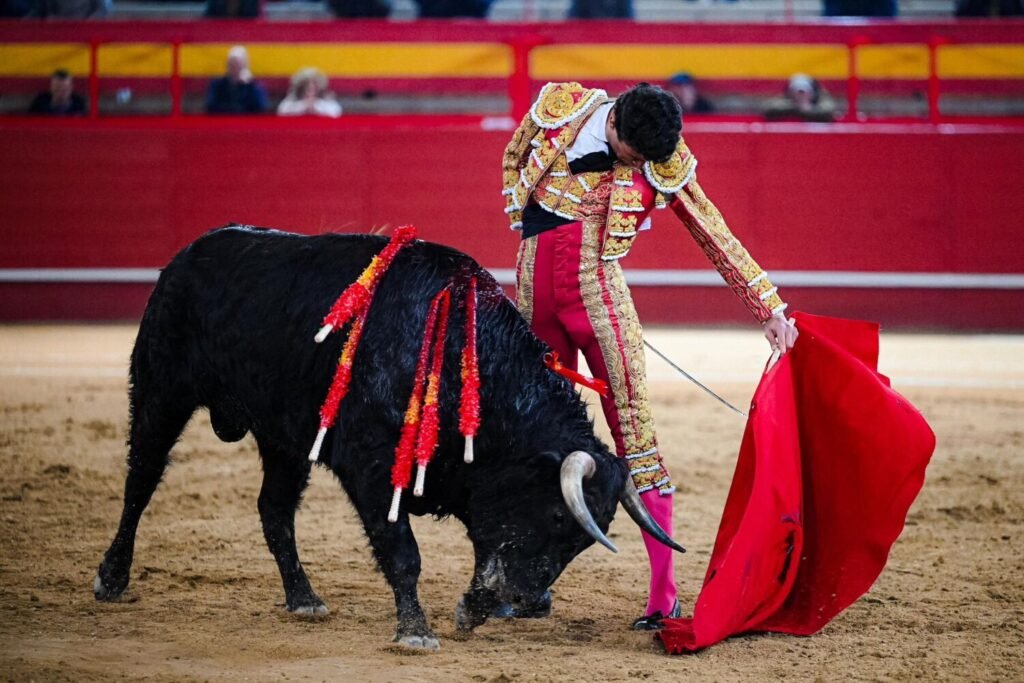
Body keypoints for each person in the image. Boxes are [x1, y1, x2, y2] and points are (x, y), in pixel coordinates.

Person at [502, 82, 797, 629]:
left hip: (600, 304)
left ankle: (664, 595)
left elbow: (711, 229)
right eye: (632, 156)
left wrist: (768, 308)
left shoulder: (662, 156)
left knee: (635, 439)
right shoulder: (561, 109)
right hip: (533, 300)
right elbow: (515, 157)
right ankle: (528, 582)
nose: (638, 166)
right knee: (532, 444)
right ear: (613, 122)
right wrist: (524, 225)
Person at [205, 46, 269, 115]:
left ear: (245, 66)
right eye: (232, 65)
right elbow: (209, 106)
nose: (235, 68)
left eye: (238, 65)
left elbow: (262, 107)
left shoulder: (254, 85)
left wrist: (250, 84)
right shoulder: (217, 84)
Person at [764, 74, 836, 123]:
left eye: (804, 92)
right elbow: (768, 108)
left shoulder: (824, 105)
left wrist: (809, 110)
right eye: (797, 92)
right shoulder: (782, 106)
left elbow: (830, 111)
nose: (801, 96)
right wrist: (796, 108)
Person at [277, 68, 342, 119]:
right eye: (307, 83)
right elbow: (281, 111)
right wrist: (304, 105)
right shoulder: (294, 98)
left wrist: (316, 105)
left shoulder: (325, 98)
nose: (311, 86)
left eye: (314, 83)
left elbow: (337, 112)